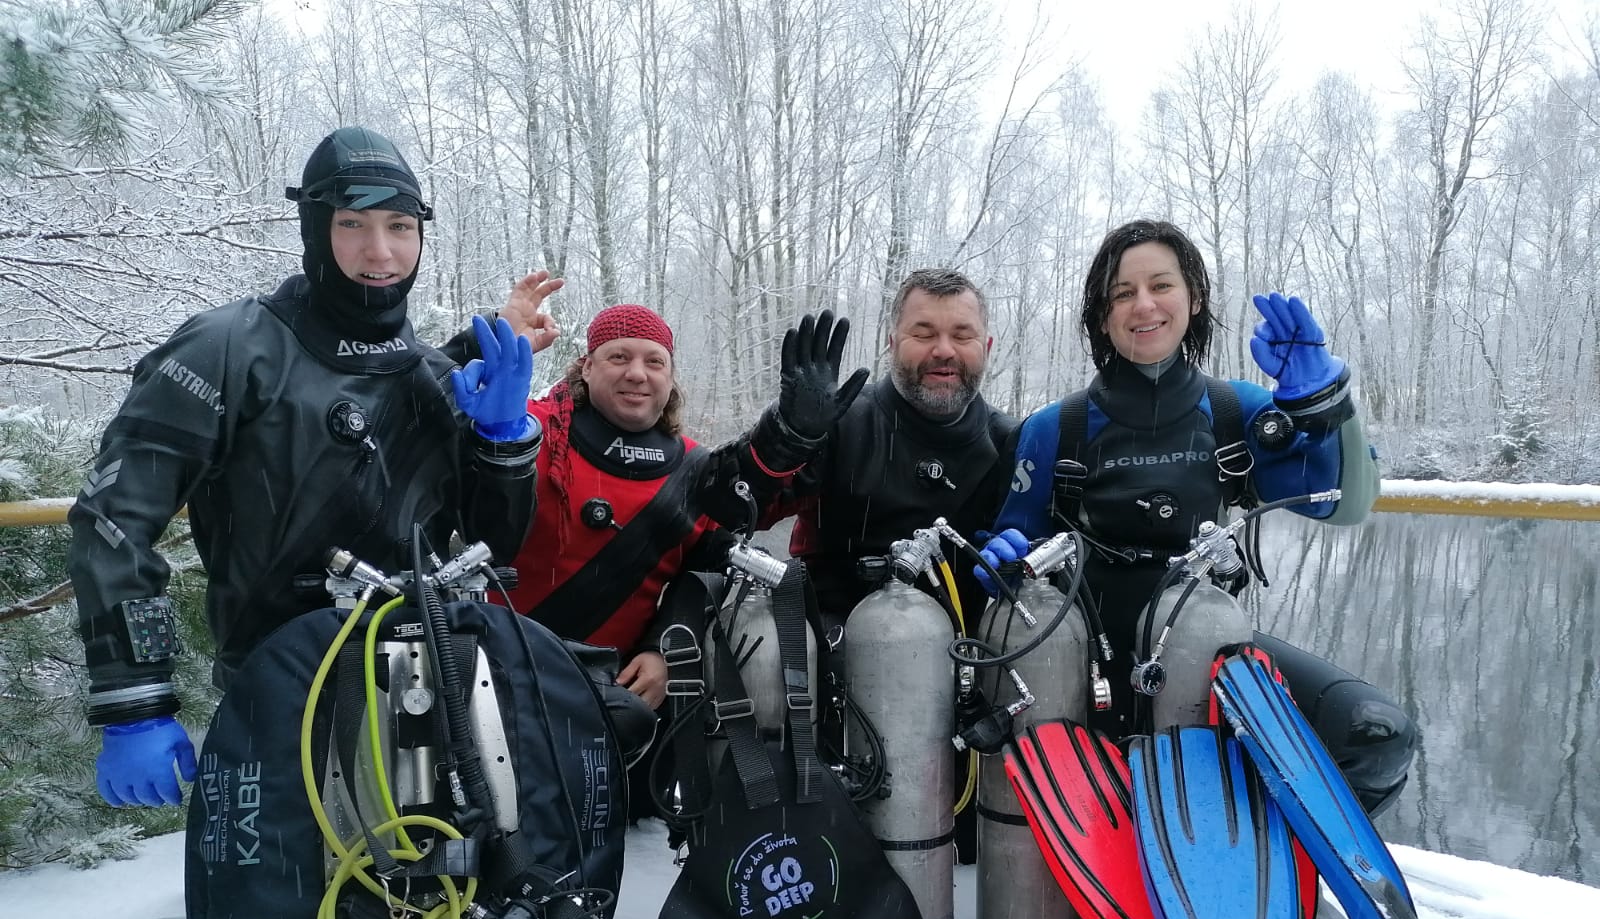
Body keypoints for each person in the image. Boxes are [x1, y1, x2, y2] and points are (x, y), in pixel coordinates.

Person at [67, 126, 543, 808]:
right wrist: (134, 701)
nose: (380, 252)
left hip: (429, 698)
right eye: (352, 224)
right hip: (277, 697)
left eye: (399, 226)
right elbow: (114, 520)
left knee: (436, 909)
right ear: (314, 227)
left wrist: (503, 440)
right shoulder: (229, 348)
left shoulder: (436, 377)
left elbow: (497, 544)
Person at [980, 218, 1414, 816]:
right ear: (1102, 315)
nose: (1144, 305)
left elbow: (1345, 506)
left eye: (1161, 285)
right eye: (1122, 293)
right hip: (1080, 663)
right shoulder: (1057, 428)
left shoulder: (1239, 413)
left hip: (1206, 649)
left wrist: (1328, 410)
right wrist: (997, 560)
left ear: (1195, 297)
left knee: (1376, 738)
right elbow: (1009, 548)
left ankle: (1265, 873)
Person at [497, 303, 867, 707]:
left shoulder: (692, 471)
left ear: (671, 379)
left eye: (654, 361)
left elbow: (709, 568)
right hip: (500, 677)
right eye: (618, 356)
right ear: (585, 367)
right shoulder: (524, 433)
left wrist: (663, 648)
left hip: (615, 698)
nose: (636, 373)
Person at [755, 268, 1020, 622]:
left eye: (962, 335)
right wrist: (785, 437)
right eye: (923, 334)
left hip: (961, 658)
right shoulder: (837, 423)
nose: (943, 350)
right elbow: (741, 510)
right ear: (892, 341)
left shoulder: (1010, 444)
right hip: (825, 653)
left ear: (986, 347)